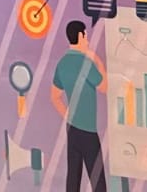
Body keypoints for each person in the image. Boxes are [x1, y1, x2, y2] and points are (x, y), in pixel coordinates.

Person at [50, 20, 109, 192]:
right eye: (86, 35)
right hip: (88, 130)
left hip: (72, 129)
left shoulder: (62, 63)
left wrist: (69, 115)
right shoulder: (86, 62)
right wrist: (97, 60)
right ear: (80, 36)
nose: (87, 39)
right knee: (98, 181)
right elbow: (104, 87)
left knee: (73, 177)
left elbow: (55, 97)